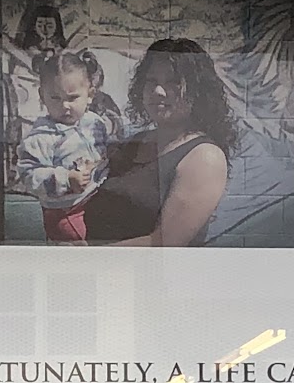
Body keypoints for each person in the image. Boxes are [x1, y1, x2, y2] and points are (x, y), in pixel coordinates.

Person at [83, 38, 233, 247]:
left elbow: (164, 243)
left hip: (148, 270)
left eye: (173, 82)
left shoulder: (205, 157)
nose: (158, 91)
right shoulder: (134, 143)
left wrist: (85, 257)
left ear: (198, 91)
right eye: (151, 81)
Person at [14, 51, 120, 242]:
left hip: (97, 196)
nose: (65, 105)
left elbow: (105, 149)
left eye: (72, 98)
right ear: (42, 96)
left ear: (90, 95)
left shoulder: (94, 123)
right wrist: (65, 178)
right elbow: (28, 175)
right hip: (66, 212)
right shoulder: (40, 137)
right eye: (55, 98)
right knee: (77, 247)